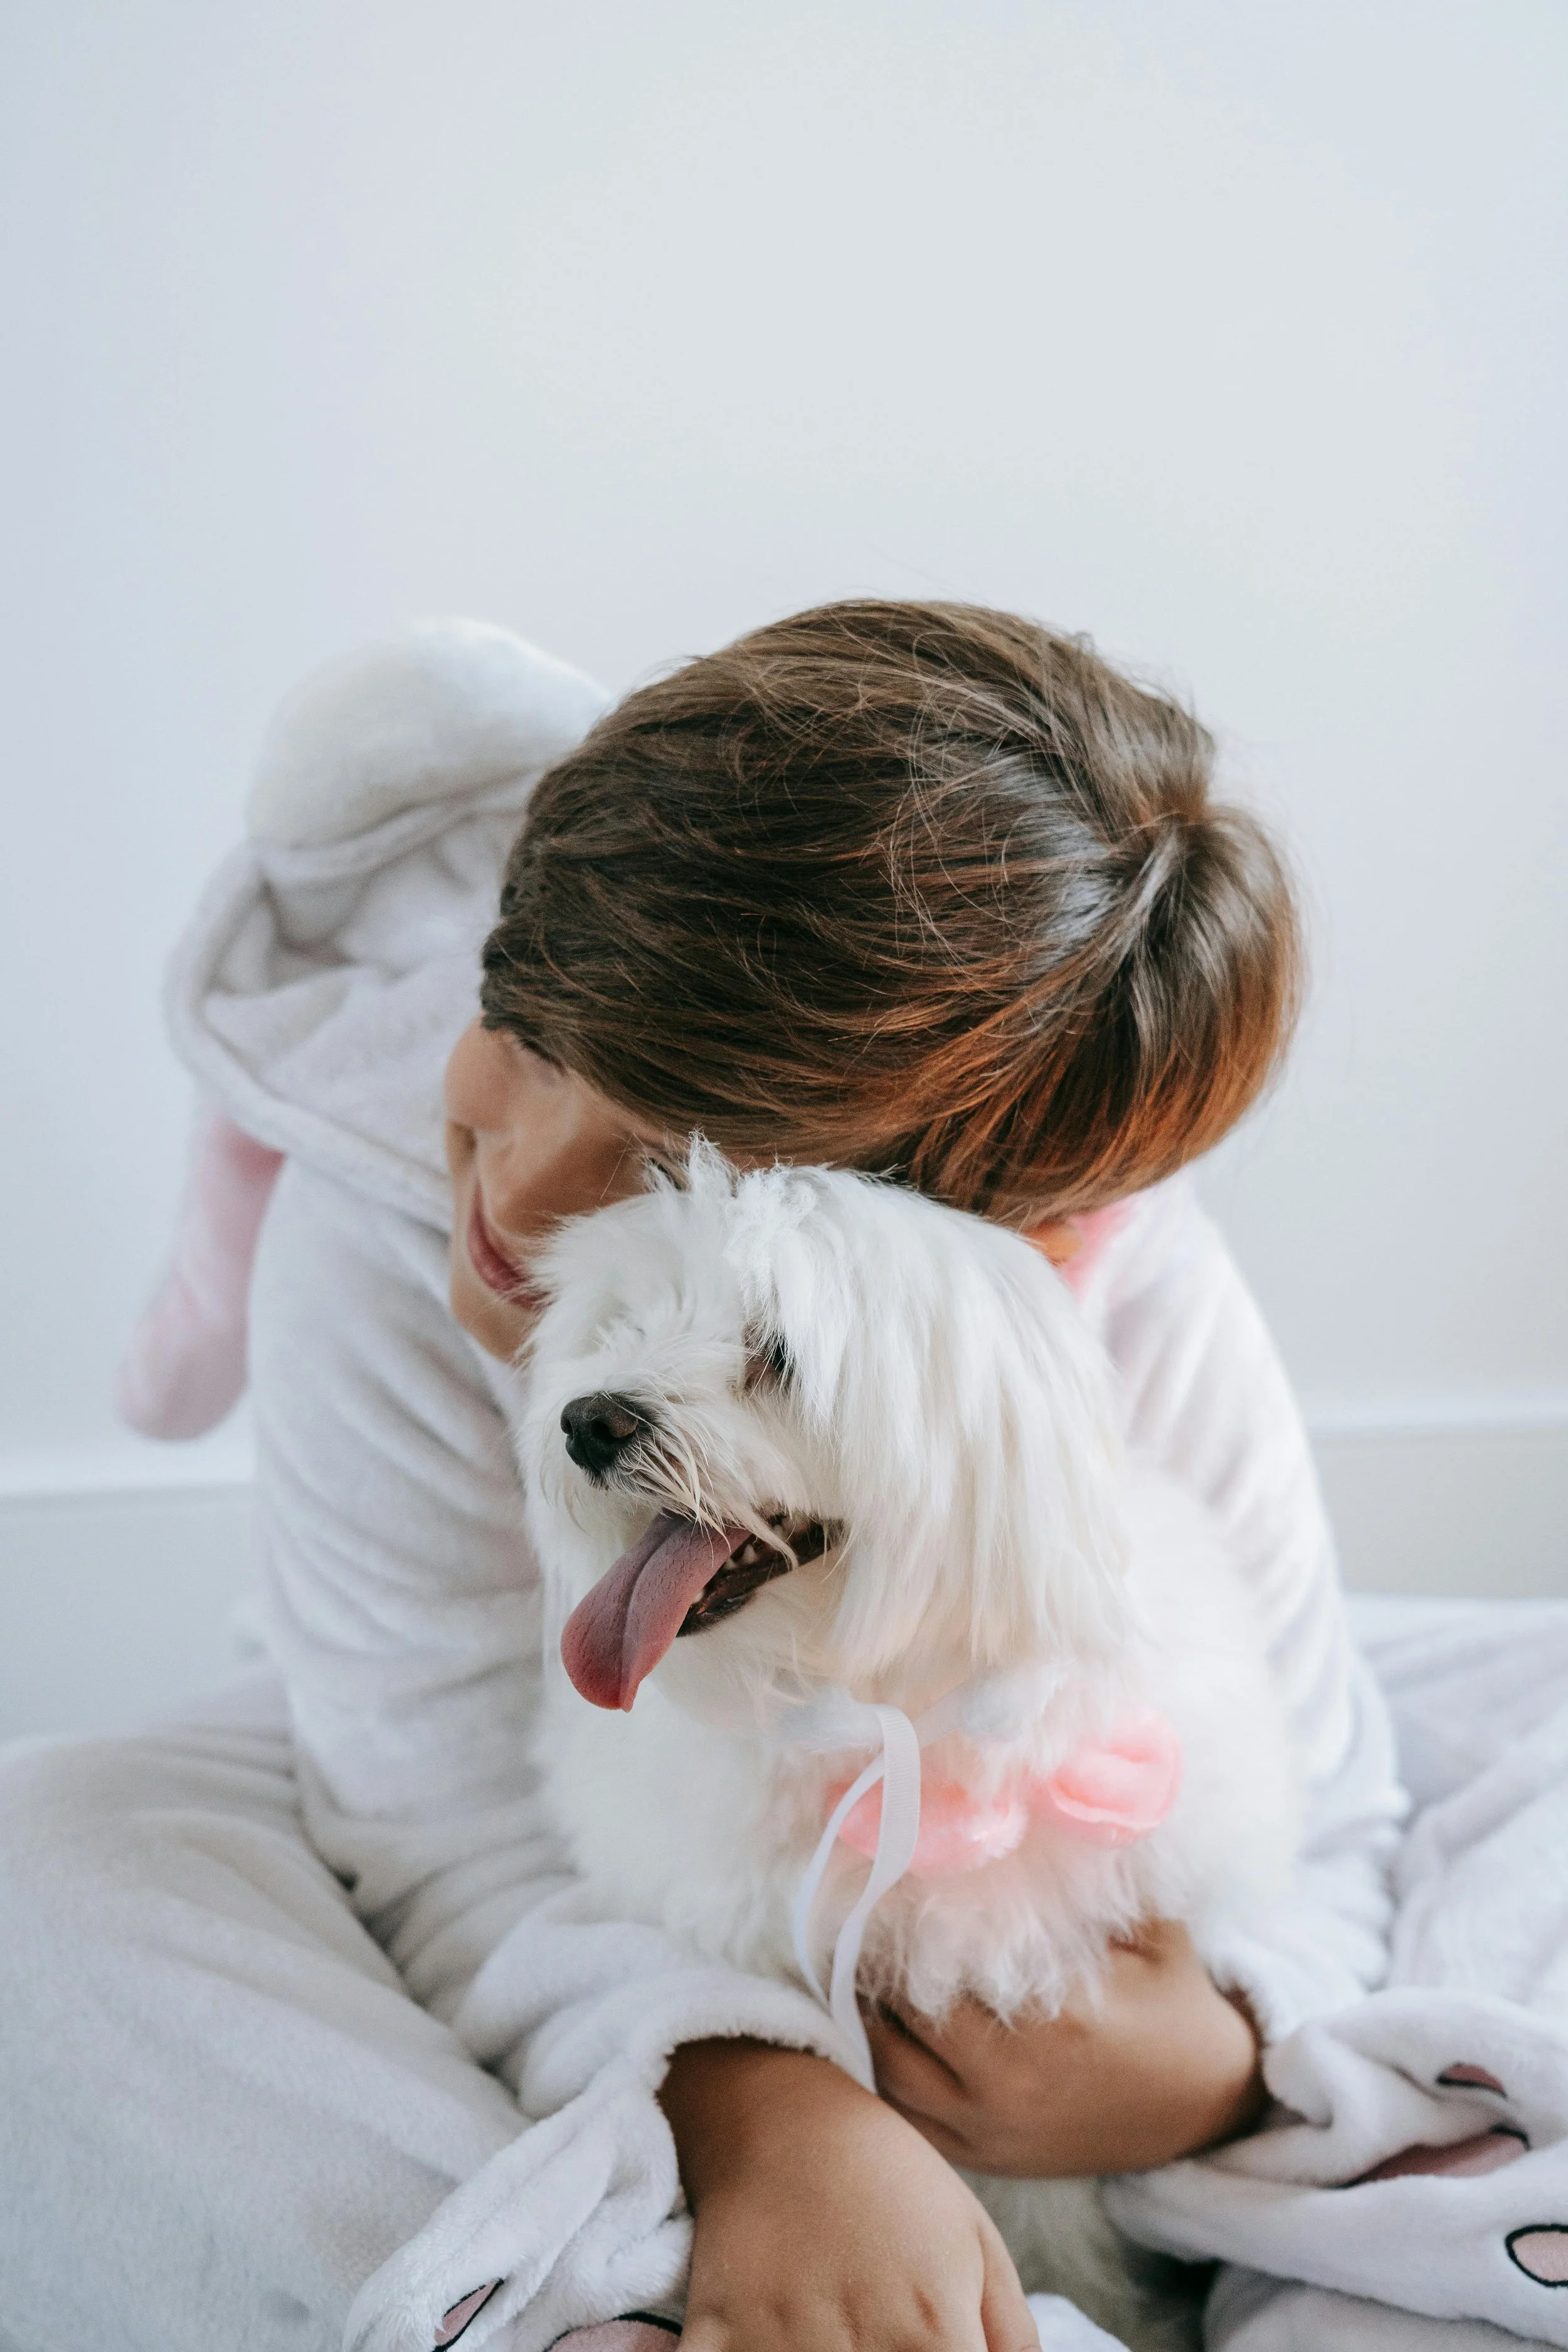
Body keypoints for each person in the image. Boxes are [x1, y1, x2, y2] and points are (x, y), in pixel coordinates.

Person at [0, 603, 1403, 2352]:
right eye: (517, 1015)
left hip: (995, 1853)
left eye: (682, 1161)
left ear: (971, 1235)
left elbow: (1330, 1788)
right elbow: (432, 1816)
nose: (514, 1179)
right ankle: (556, 2290)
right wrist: (756, 2104)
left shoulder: (1114, 1278)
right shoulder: (374, 1210)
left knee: (1524, 1737)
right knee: (53, 1858)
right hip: (474, 1818)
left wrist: (1222, 2057)